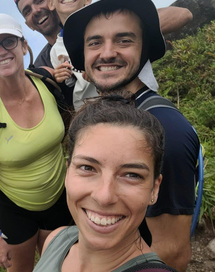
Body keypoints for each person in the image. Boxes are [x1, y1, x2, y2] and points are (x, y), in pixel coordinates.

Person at [60, 0, 199, 271]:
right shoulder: (110, 116)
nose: (108, 52)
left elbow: (171, 250)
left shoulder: (166, 129)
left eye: (124, 40)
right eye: (95, 42)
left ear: (143, 49)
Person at [0, 13, 72, 272]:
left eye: (9, 42)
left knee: (58, 267)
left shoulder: (46, 81)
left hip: (59, 197)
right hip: (14, 208)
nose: (2, 51)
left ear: (24, 45)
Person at [33, 93, 178, 272]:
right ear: (67, 172)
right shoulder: (56, 240)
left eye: (132, 175)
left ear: (154, 189)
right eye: (87, 168)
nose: (104, 196)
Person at [13, 0, 193, 69]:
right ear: (28, 24)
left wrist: (122, 33)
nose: (36, 10)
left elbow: (183, 14)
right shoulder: (43, 64)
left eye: (40, 0)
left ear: (53, 1)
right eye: (27, 10)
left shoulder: (99, 21)